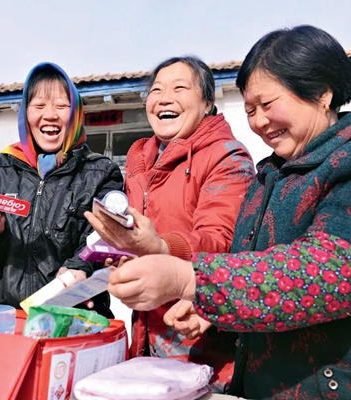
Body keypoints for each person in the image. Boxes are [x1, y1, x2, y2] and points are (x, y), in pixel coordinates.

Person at [107, 25, 351, 399]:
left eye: (268, 105)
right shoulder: (268, 176)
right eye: (250, 110)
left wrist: (188, 279)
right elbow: (250, 263)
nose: (258, 122)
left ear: (322, 94)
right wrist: (210, 309)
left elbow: (327, 272)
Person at [85, 56, 255, 390]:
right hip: (147, 335)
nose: (164, 98)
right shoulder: (139, 162)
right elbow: (139, 239)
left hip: (204, 340)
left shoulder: (227, 157)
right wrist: (121, 258)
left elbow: (222, 240)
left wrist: (160, 248)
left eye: (180, 88)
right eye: (157, 89)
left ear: (207, 103)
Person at [0, 62, 123, 318]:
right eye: (39, 106)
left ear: (75, 113)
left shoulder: (101, 172)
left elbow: (104, 238)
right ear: (25, 113)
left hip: (73, 315)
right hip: (6, 317)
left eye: (62, 106)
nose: (50, 115)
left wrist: (78, 268)